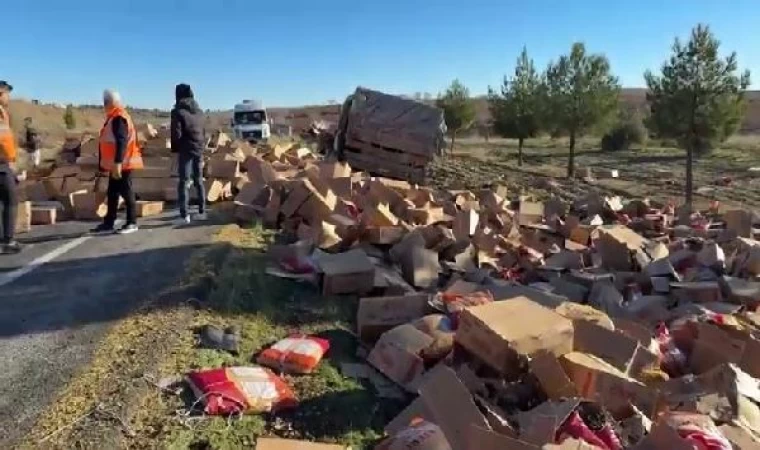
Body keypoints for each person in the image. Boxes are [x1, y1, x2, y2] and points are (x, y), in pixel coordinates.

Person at [92, 89, 143, 234]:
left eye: (104, 103)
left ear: (108, 103)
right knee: (113, 193)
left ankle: (132, 223)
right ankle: (109, 222)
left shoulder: (118, 118)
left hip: (123, 163)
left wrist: (118, 163)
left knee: (127, 192)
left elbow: (121, 141)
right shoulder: (115, 116)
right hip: (117, 163)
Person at [171, 83, 206, 224]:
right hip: (199, 147)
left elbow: (176, 133)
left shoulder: (178, 111)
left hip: (185, 149)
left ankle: (184, 215)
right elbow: (203, 131)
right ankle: (202, 211)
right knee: (198, 180)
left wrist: (175, 150)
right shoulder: (199, 111)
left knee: (184, 182)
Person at [0, 80, 21, 254]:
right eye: (7, 93)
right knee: (11, 200)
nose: (9, 97)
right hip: (1, 163)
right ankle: (8, 240)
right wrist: (11, 162)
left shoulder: (3, 113)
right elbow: (3, 142)